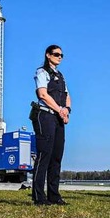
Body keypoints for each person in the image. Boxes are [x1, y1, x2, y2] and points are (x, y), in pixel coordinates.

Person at [30, 45, 71, 206]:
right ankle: (39, 196)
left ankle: (54, 195)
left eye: (61, 55)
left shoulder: (60, 76)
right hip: (45, 115)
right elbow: (43, 94)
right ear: (48, 55)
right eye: (56, 54)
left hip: (59, 118)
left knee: (56, 157)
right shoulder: (42, 72)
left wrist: (66, 110)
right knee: (44, 155)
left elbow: (67, 95)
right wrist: (60, 110)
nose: (59, 57)